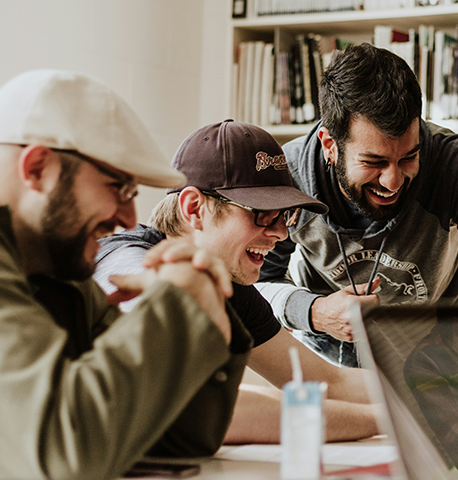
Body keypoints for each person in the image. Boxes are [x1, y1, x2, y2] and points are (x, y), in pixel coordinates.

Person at [0, 70, 250, 479]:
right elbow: (64, 456)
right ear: (37, 167)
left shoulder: (49, 261)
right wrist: (179, 305)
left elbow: (176, 438)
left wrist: (202, 300)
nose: (129, 217)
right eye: (119, 188)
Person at [256, 43, 458, 396]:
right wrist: (314, 312)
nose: (393, 181)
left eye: (408, 157)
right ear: (329, 144)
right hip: (330, 376)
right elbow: (255, 286)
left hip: (440, 369)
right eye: (374, 162)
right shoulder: (288, 180)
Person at [94, 119, 379, 443]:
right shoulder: (126, 264)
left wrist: (427, 396)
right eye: (262, 213)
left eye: (284, 216)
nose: (281, 234)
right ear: (194, 208)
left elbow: (325, 382)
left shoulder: (228, 285)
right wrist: (389, 420)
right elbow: (201, 408)